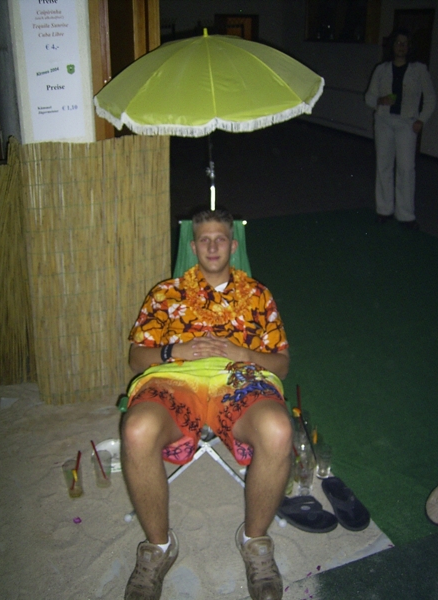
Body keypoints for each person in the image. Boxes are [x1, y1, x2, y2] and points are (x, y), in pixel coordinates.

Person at [121, 208, 292, 600]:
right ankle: (158, 547)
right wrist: (175, 350)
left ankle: (255, 541)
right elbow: (136, 358)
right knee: (137, 429)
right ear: (193, 246)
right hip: (175, 378)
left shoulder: (258, 295)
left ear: (233, 245)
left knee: (278, 429)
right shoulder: (166, 293)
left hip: (240, 379)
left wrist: (242, 353)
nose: (213, 247)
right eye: (204, 240)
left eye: (220, 239)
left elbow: (282, 365)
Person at [365, 27, 436, 230]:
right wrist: (380, 100)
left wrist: (421, 120)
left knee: (406, 168)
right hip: (384, 122)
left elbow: (430, 98)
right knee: (384, 165)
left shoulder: (419, 70)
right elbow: (369, 97)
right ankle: (384, 209)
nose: (401, 47)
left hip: (407, 123)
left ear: (409, 47)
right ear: (392, 46)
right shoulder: (382, 69)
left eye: (405, 43)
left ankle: (405, 214)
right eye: (398, 43)